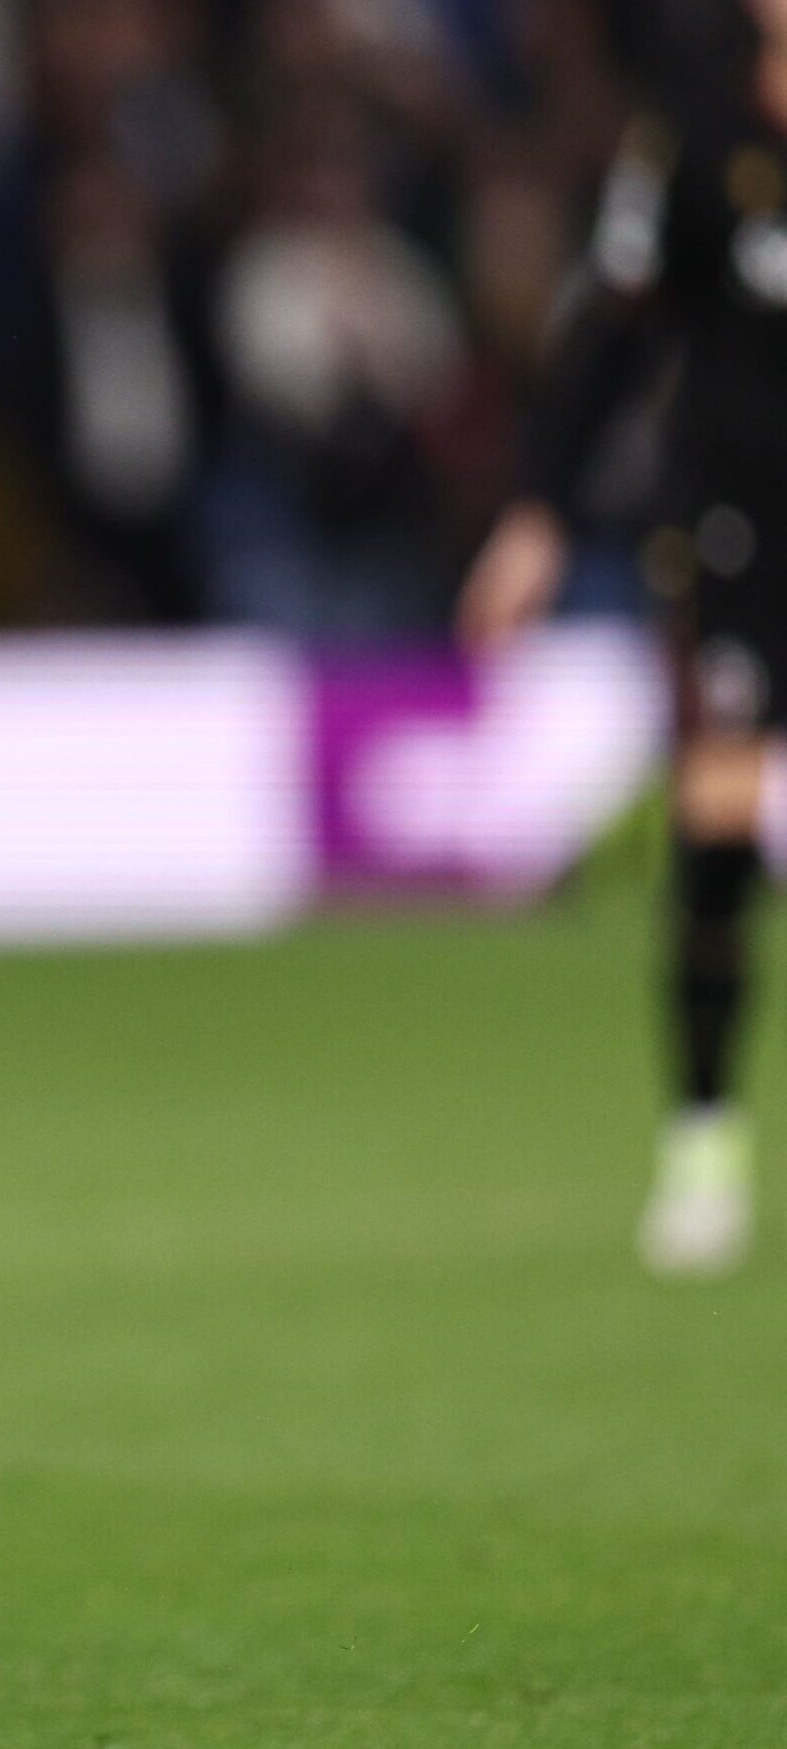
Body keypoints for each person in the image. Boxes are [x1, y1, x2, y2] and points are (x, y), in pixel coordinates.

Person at [458, 0, 787, 1277]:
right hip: (735, 531)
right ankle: (702, 1138)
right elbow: (611, 326)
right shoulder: (696, 134)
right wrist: (536, 516)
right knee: (716, 821)